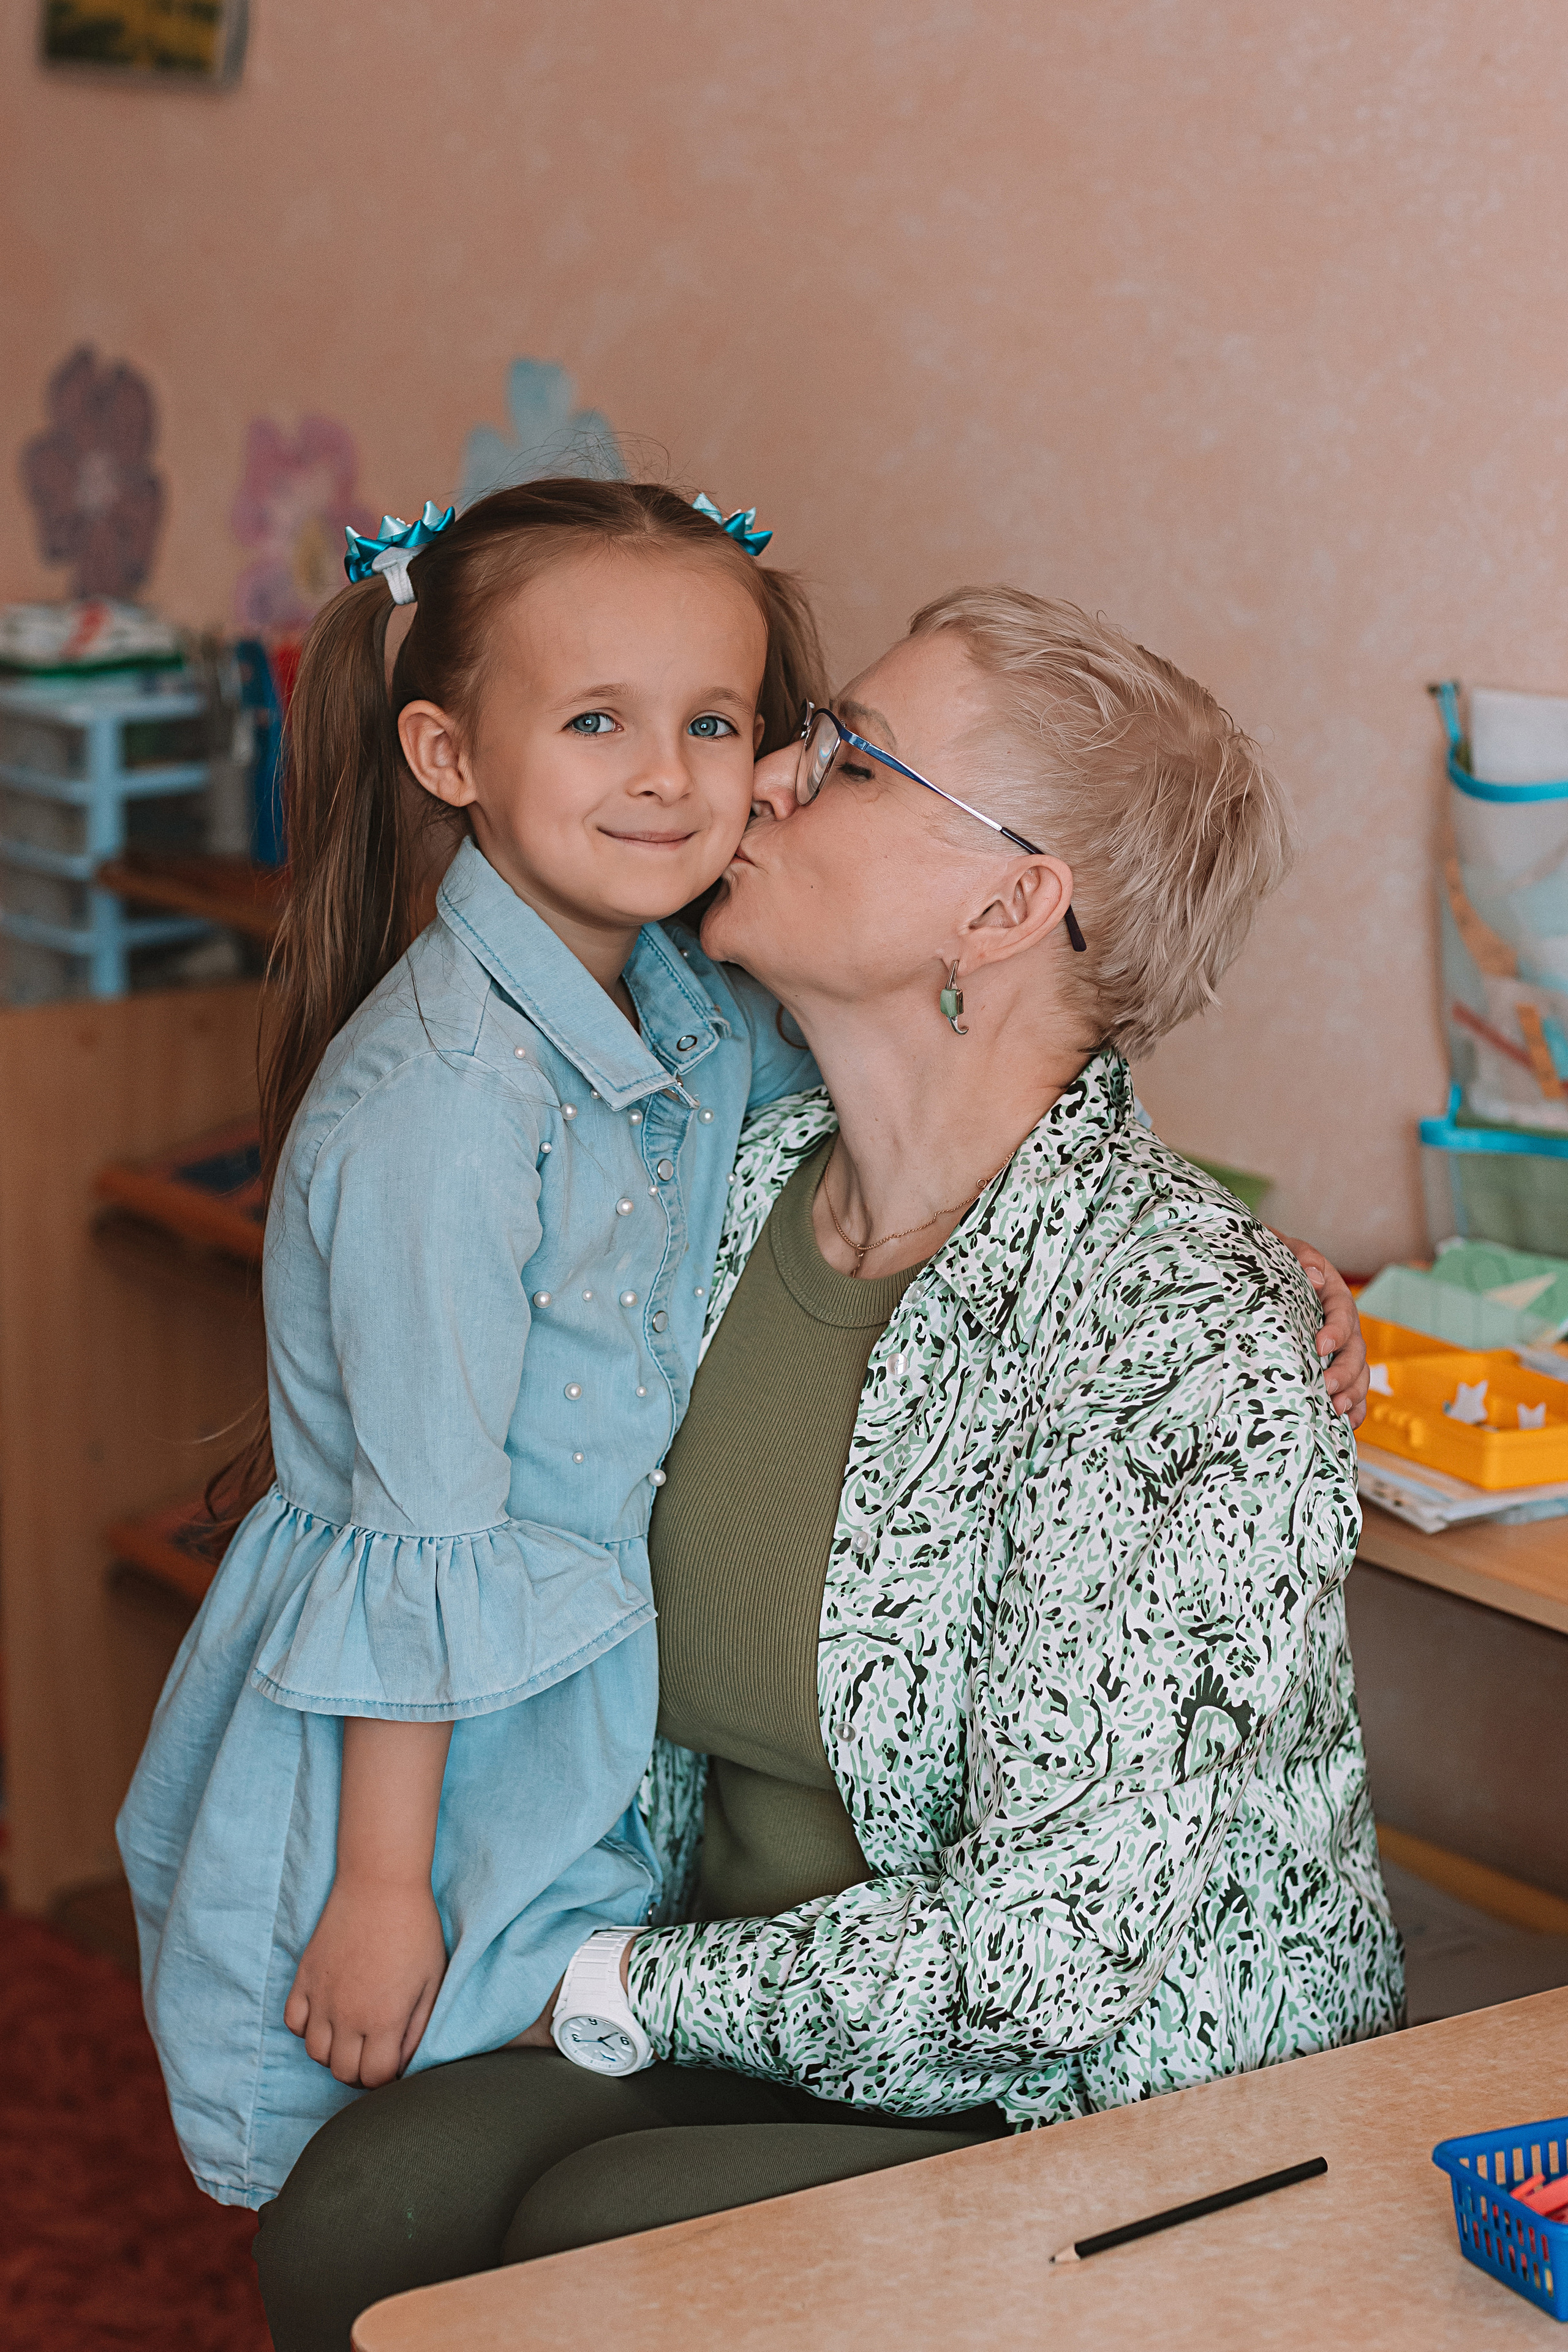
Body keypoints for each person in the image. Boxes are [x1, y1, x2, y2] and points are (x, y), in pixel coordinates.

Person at [254, 586, 1394, 2351]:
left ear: (1012, 904)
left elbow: (1047, 1961)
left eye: (850, 760)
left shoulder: (1180, 1325)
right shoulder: (720, 1177)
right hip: (735, 2000)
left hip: (1105, 2091)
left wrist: (618, 1985)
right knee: (362, 2217)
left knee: (600, 2252)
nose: (768, 778)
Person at [115, 478, 827, 2209]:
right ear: (450, 758)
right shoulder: (445, 1100)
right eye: (598, 722)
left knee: (537, 2085)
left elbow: (885, 1128)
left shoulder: (685, 1008)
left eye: (713, 724)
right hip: (416, 1735)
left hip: (566, 1689)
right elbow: (417, 1530)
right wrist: (379, 1881)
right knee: (377, 2096)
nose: (667, 776)